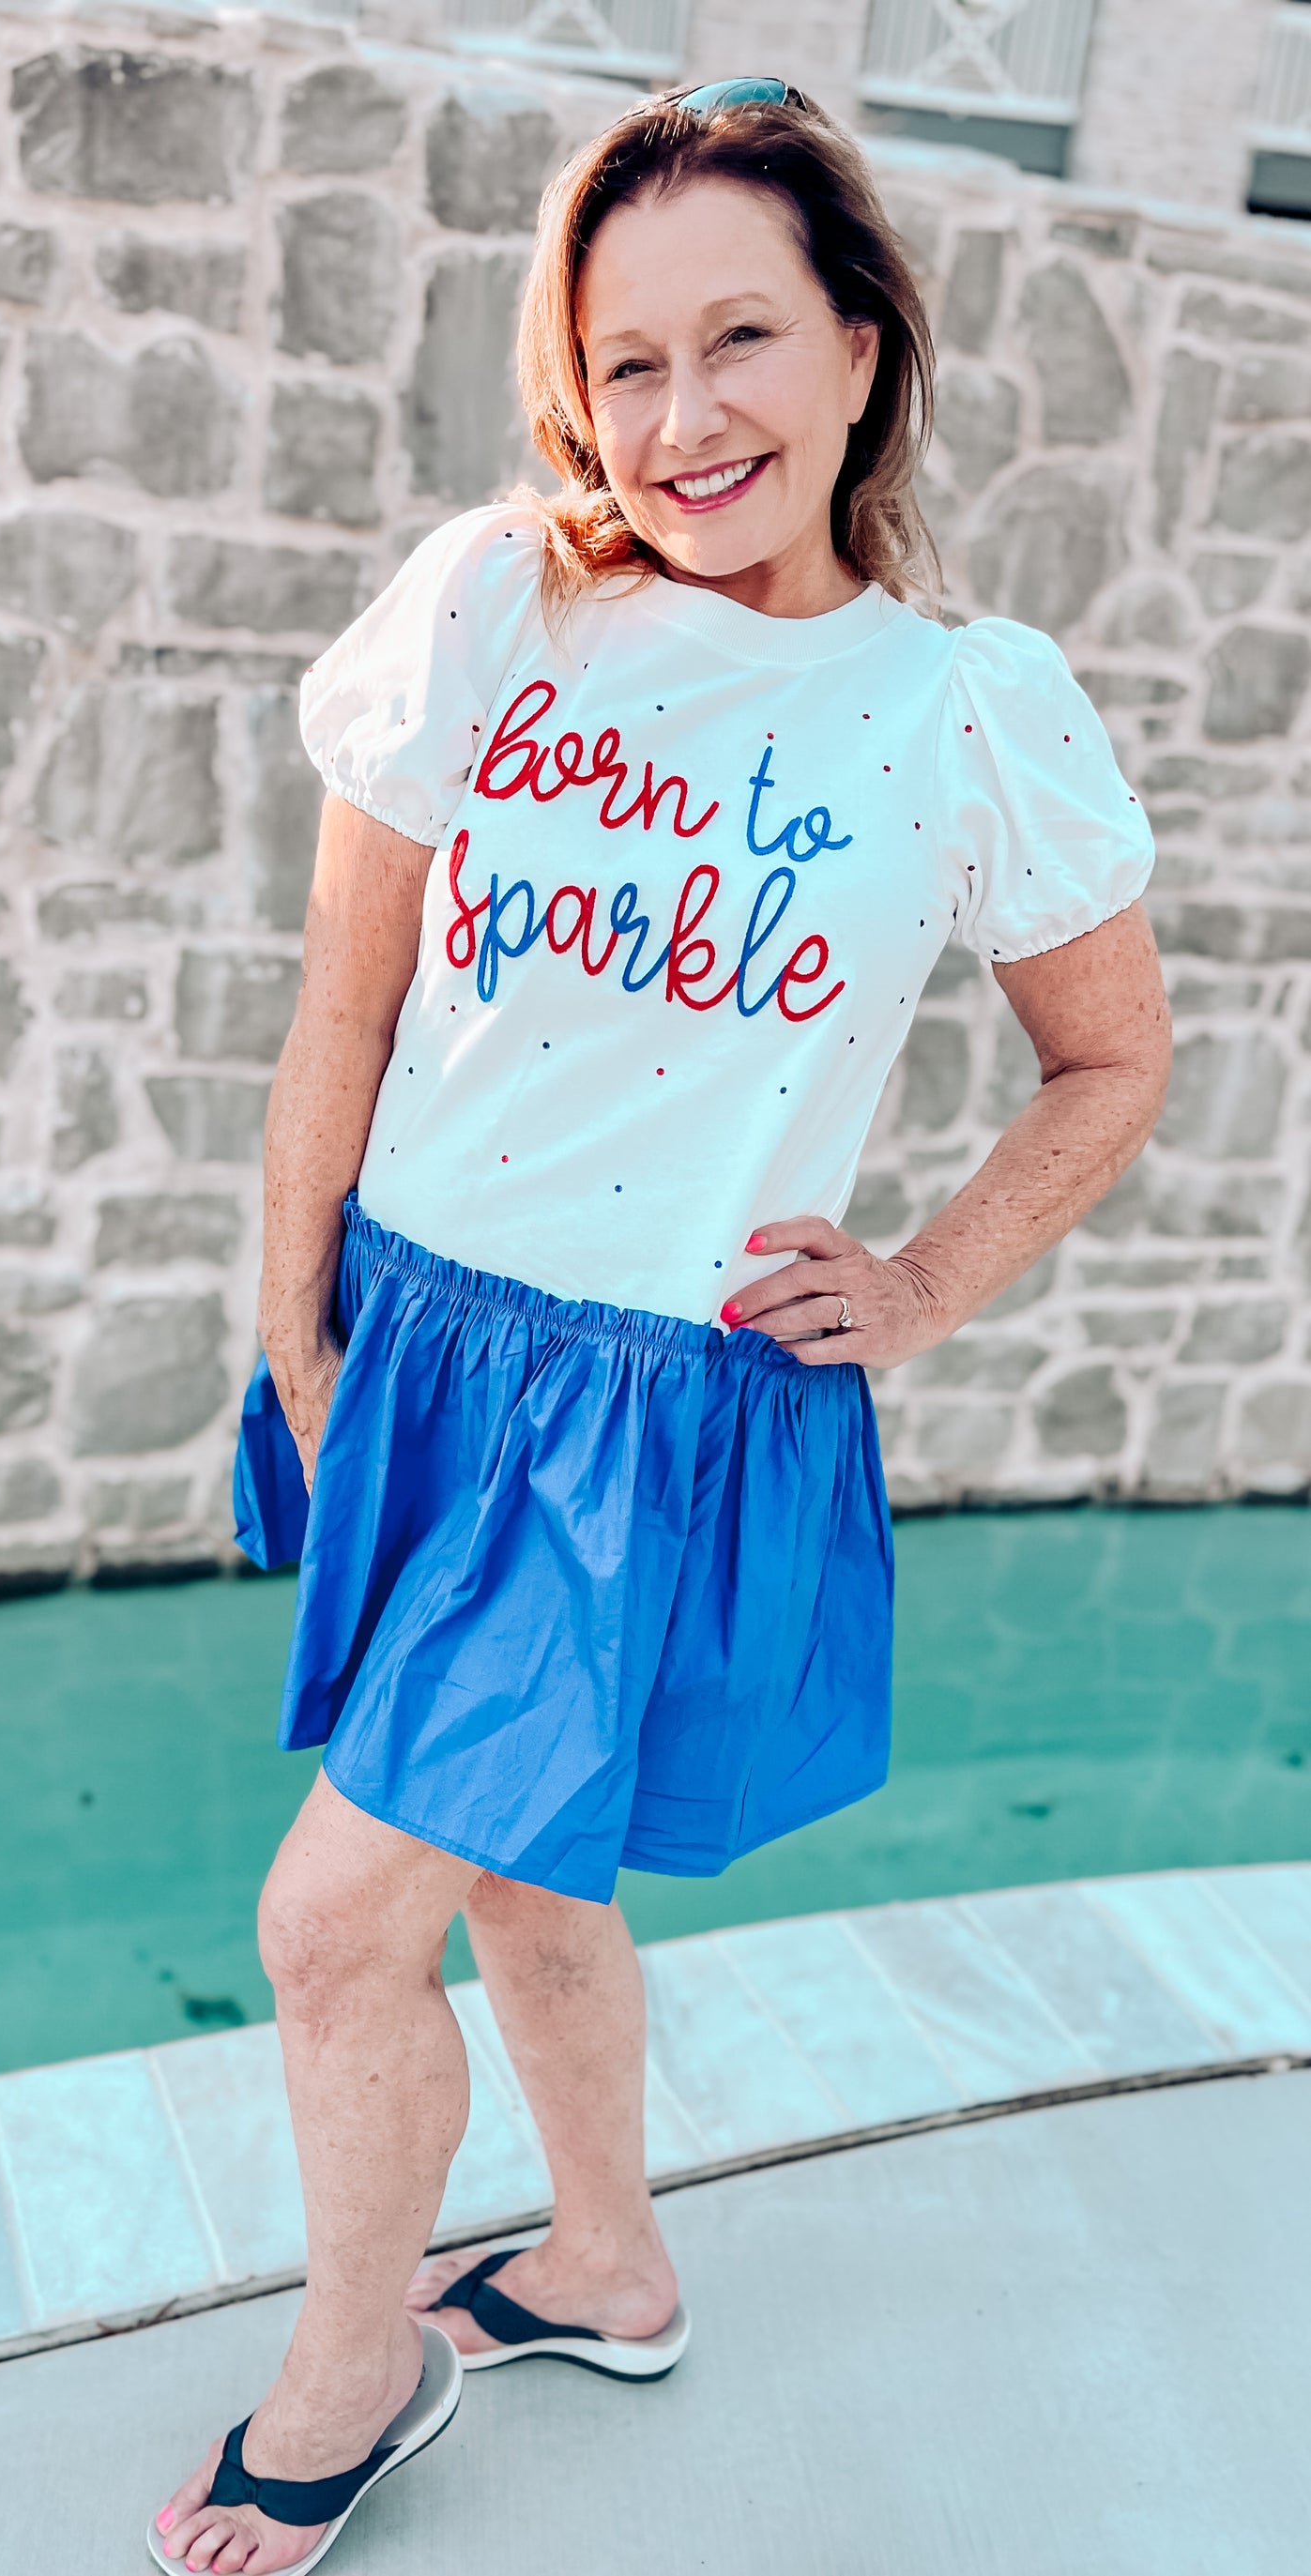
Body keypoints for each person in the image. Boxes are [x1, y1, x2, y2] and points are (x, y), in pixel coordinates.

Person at [148, 74, 1169, 2576]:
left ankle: (356, 2364)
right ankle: (601, 2263)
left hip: (639, 1411)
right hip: (416, 1342)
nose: (683, 414)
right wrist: (294, 1330)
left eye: (740, 339)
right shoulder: (502, 601)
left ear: (852, 351)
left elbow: (1114, 1056)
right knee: (522, 1873)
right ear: (571, 384)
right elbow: (340, 1008)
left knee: (330, 1920)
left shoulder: (959, 706)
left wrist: (921, 1275)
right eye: (627, 360)